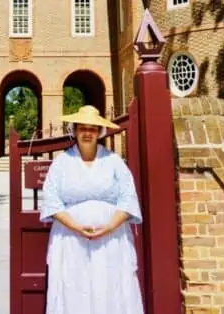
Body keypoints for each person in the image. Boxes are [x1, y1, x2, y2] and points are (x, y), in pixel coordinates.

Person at [39, 105, 145, 314]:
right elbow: (51, 201)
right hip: (71, 239)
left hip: (111, 240)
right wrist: (77, 227)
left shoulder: (114, 162)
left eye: (92, 129)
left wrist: (108, 227)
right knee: (74, 288)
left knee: (110, 287)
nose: (87, 133)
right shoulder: (61, 163)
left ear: (99, 132)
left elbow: (128, 198)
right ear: (75, 130)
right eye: (82, 128)